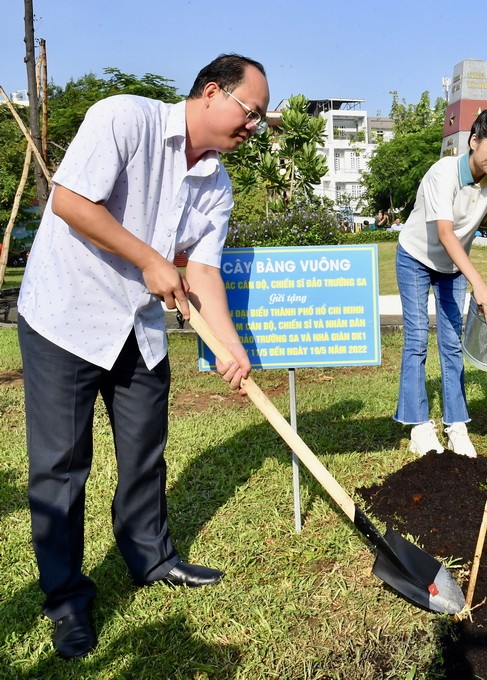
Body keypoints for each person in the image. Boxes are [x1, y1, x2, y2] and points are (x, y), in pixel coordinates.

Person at [16, 53, 268, 659]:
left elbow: (203, 270)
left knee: (144, 452)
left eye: (261, 118)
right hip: (66, 317)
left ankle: (151, 559)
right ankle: (67, 602)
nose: (253, 126)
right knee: (61, 467)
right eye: (250, 112)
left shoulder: (218, 183)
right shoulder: (124, 119)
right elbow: (71, 202)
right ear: (212, 92)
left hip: (138, 327)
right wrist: (152, 259)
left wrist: (230, 346)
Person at [394, 100, 487, 457]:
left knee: (452, 344)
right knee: (417, 339)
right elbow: (446, 234)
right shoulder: (443, 173)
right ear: (474, 141)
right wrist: (480, 285)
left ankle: (457, 424)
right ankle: (419, 426)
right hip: (416, 257)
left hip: (453, 266)